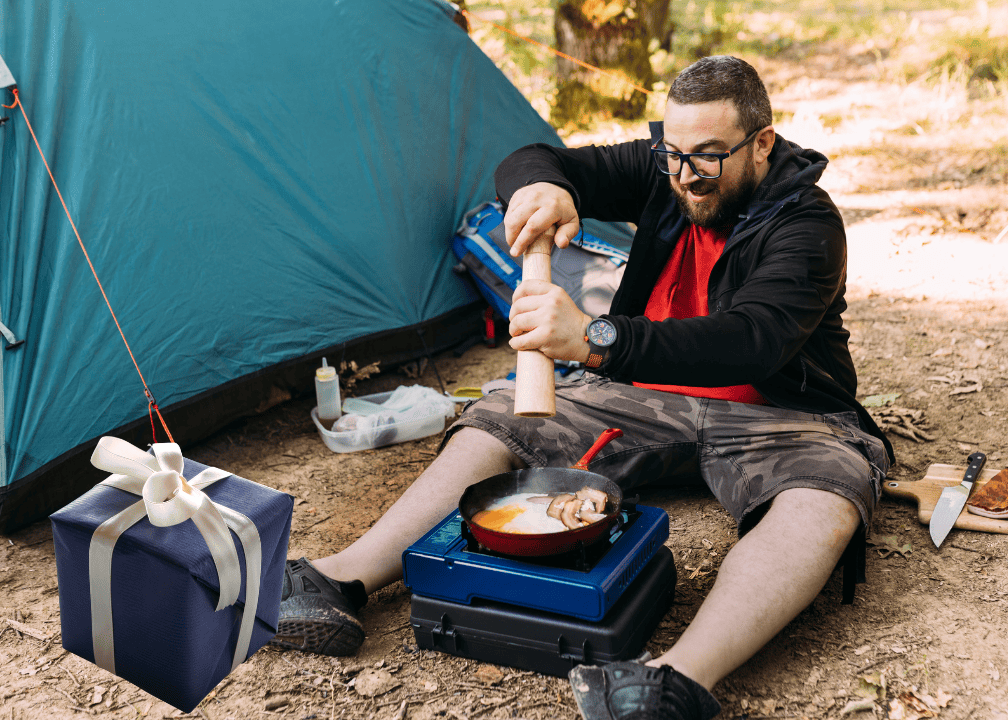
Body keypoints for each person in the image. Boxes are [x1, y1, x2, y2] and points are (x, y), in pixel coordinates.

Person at [273, 55, 893, 720]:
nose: (686, 176)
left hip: (784, 416)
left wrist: (596, 339)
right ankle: (340, 578)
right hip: (646, 400)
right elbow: (529, 158)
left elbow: (751, 340)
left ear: (762, 143)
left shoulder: (808, 223)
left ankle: (676, 682)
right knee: (499, 418)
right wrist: (543, 188)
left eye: (709, 157)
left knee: (827, 492)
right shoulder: (668, 170)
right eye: (674, 154)